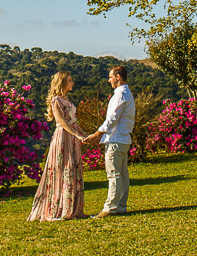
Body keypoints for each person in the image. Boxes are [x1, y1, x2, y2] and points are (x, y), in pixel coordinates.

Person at [28, 70, 88, 221]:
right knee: (64, 168)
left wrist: (84, 134)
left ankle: (73, 208)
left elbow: (73, 122)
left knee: (73, 169)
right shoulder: (56, 101)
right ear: (62, 83)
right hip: (63, 137)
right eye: (69, 80)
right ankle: (60, 208)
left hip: (71, 136)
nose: (72, 82)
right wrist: (76, 134)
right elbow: (62, 122)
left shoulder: (66, 100)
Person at [83, 65, 134, 217]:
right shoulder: (127, 93)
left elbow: (112, 119)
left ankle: (110, 208)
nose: (109, 80)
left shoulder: (120, 94)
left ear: (118, 77)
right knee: (122, 174)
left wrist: (97, 134)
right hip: (123, 139)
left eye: (111, 77)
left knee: (114, 174)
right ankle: (120, 206)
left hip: (116, 139)